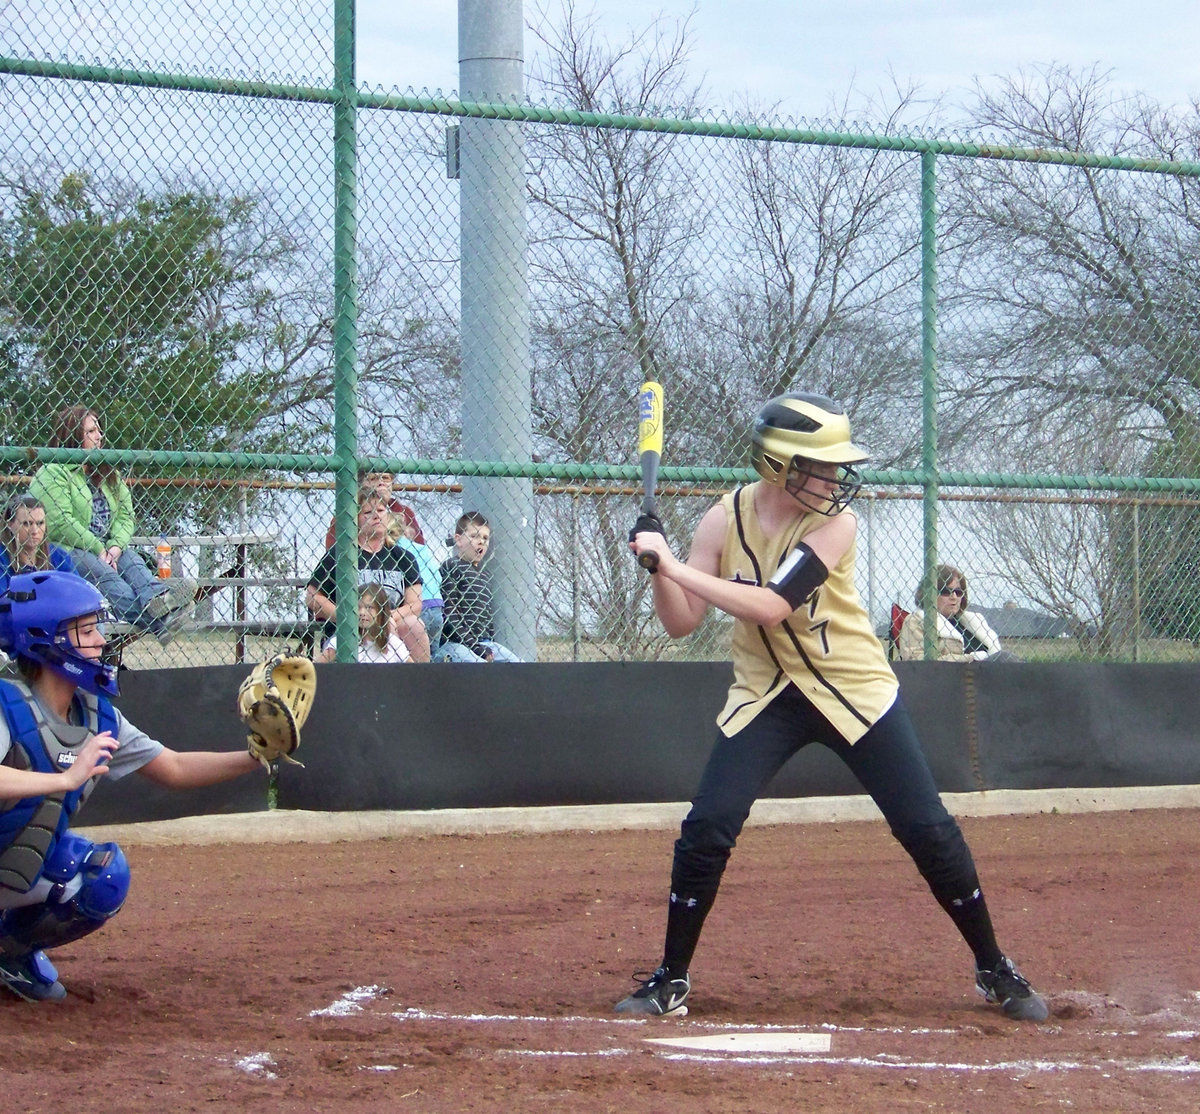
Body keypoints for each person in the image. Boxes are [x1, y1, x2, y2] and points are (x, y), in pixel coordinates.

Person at [619, 392, 1047, 1023]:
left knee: (926, 828)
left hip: (852, 689)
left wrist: (675, 565)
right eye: (818, 465)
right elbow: (682, 624)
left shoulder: (835, 524)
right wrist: (658, 568)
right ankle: (670, 979)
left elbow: (770, 605)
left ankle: (993, 965)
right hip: (766, 694)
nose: (833, 479)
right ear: (776, 464)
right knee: (707, 827)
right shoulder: (722, 520)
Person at [0, 569, 264, 1002]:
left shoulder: (96, 715)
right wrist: (65, 777)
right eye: (85, 630)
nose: (102, 641)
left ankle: (9, 952)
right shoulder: (7, 704)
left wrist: (256, 758)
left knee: (99, 874)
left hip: (10, 860)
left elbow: (174, 767)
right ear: (47, 640)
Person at [29, 405, 195, 646]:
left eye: (99, 430)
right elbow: (58, 522)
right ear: (73, 435)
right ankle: (161, 618)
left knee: (132, 559)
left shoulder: (108, 473)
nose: (99, 436)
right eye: (91, 431)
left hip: (108, 548)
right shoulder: (53, 471)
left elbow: (126, 517)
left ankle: (158, 598)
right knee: (105, 573)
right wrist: (99, 549)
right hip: (67, 549)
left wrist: (115, 547)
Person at [306, 484, 430, 662]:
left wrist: (383, 618)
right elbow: (312, 597)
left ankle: (421, 686)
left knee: (415, 626)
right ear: (355, 520)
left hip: (391, 625)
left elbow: (415, 605)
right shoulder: (341, 555)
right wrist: (348, 617)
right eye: (367, 512)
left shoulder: (403, 558)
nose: (376, 516)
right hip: (352, 628)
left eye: (380, 510)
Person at [435, 511, 521, 663]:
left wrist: (485, 644)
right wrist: (474, 646)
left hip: (485, 642)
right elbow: (450, 613)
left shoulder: (485, 575)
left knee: (517, 664)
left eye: (485, 538)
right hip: (456, 643)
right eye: (474, 536)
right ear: (458, 540)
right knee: (479, 669)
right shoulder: (452, 566)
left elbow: (488, 619)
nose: (481, 541)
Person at [897, 565, 1006, 662]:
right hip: (952, 679)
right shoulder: (917, 621)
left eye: (958, 592)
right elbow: (916, 659)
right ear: (929, 594)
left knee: (1006, 658)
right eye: (946, 591)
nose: (953, 597)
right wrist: (970, 659)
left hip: (988, 675)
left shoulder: (973, 621)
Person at [323, 471, 425, 548]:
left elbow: (420, 547)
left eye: (385, 478)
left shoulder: (404, 512)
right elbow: (332, 549)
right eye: (373, 479)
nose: (381, 483)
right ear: (361, 485)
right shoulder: (348, 512)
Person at [316, 583, 412, 664]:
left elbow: (414, 670)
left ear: (381, 611)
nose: (362, 613)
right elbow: (317, 669)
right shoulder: (342, 641)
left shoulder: (393, 643)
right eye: (358, 607)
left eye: (369, 607)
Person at [0, 494, 77, 592]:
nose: (35, 531)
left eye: (40, 523)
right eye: (27, 524)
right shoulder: (2, 558)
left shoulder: (59, 556)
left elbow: (77, 593)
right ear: (10, 525)